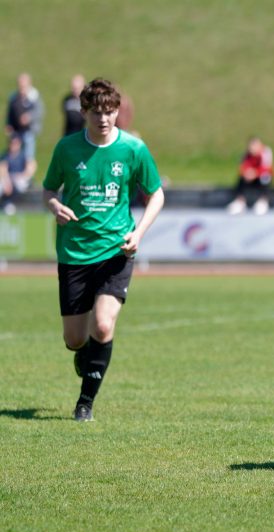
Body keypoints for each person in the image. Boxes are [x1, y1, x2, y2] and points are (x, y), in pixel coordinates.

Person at [41, 78, 165, 422]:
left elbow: (156, 194)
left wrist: (139, 232)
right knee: (74, 340)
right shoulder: (66, 149)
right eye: (97, 112)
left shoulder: (133, 149)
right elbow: (49, 188)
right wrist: (54, 206)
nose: (104, 119)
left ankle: (85, 403)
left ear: (117, 111)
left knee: (104, 324)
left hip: (116, 252)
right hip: (74, 254)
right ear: (84, 112)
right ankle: (85, 355)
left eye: (110, 112)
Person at [226, 137, 273, 215]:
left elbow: (267, 168)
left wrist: (255, 173)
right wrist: (247, 173)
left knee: (265, 178)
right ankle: (240, 202)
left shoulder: (266, 152)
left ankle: (263, 201)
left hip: (260, 177)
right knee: (241, 179)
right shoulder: (247, 154)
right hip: (250, 178)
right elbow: (242, 167)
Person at [6, 73, 44, 161]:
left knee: (28, 156)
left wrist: (29, 117)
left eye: (23, 85)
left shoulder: (34, 96)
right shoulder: (14, 97)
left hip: (29, 131)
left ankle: (28, 174)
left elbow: (39, 111)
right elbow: (10, 113)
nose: (21, 87)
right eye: (20, 84)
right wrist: (9, 124)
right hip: (16, 132)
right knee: (14, 156)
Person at [0, 134, 37, 214]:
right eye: (11, 143)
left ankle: (9, 203)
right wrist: (7, 182)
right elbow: (3, 170)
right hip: (9, 179)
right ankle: (6, 203)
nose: (13, 145)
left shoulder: (24, 155)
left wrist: (22, 175)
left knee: (20, 183)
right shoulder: (5, 156)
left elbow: (30, 167)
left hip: (21, 178)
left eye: (15, 143)